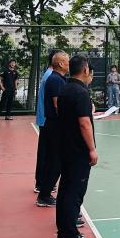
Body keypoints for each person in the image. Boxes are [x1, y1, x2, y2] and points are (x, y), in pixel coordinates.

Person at [55, 55, 97, 238]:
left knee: (65, 189)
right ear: (85, 70)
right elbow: (84, 123)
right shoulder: (81, 93)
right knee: (74, 192)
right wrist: (92, 149)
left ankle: (63, 232)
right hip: (78, 149)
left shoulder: (65, 89)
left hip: (65, 146)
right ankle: (70, 236)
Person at [36, 51, 69, 207]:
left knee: (54, 160)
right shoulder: (55, 80)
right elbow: (58, 105)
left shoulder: (57, 79)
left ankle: (45, 192)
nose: (69, 63)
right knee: (55, 161)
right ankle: (44, 194)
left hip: (53, 124)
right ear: (61, 64)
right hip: (55, 125)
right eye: (67, 61)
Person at [34, 49, 62, 193]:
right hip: (47, 119)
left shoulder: (49, 75)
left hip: (44, 118)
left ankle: (42, 182)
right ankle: (42, 183)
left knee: (46, 152)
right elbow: (56, 103)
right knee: (47, 153)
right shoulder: (52, 76)